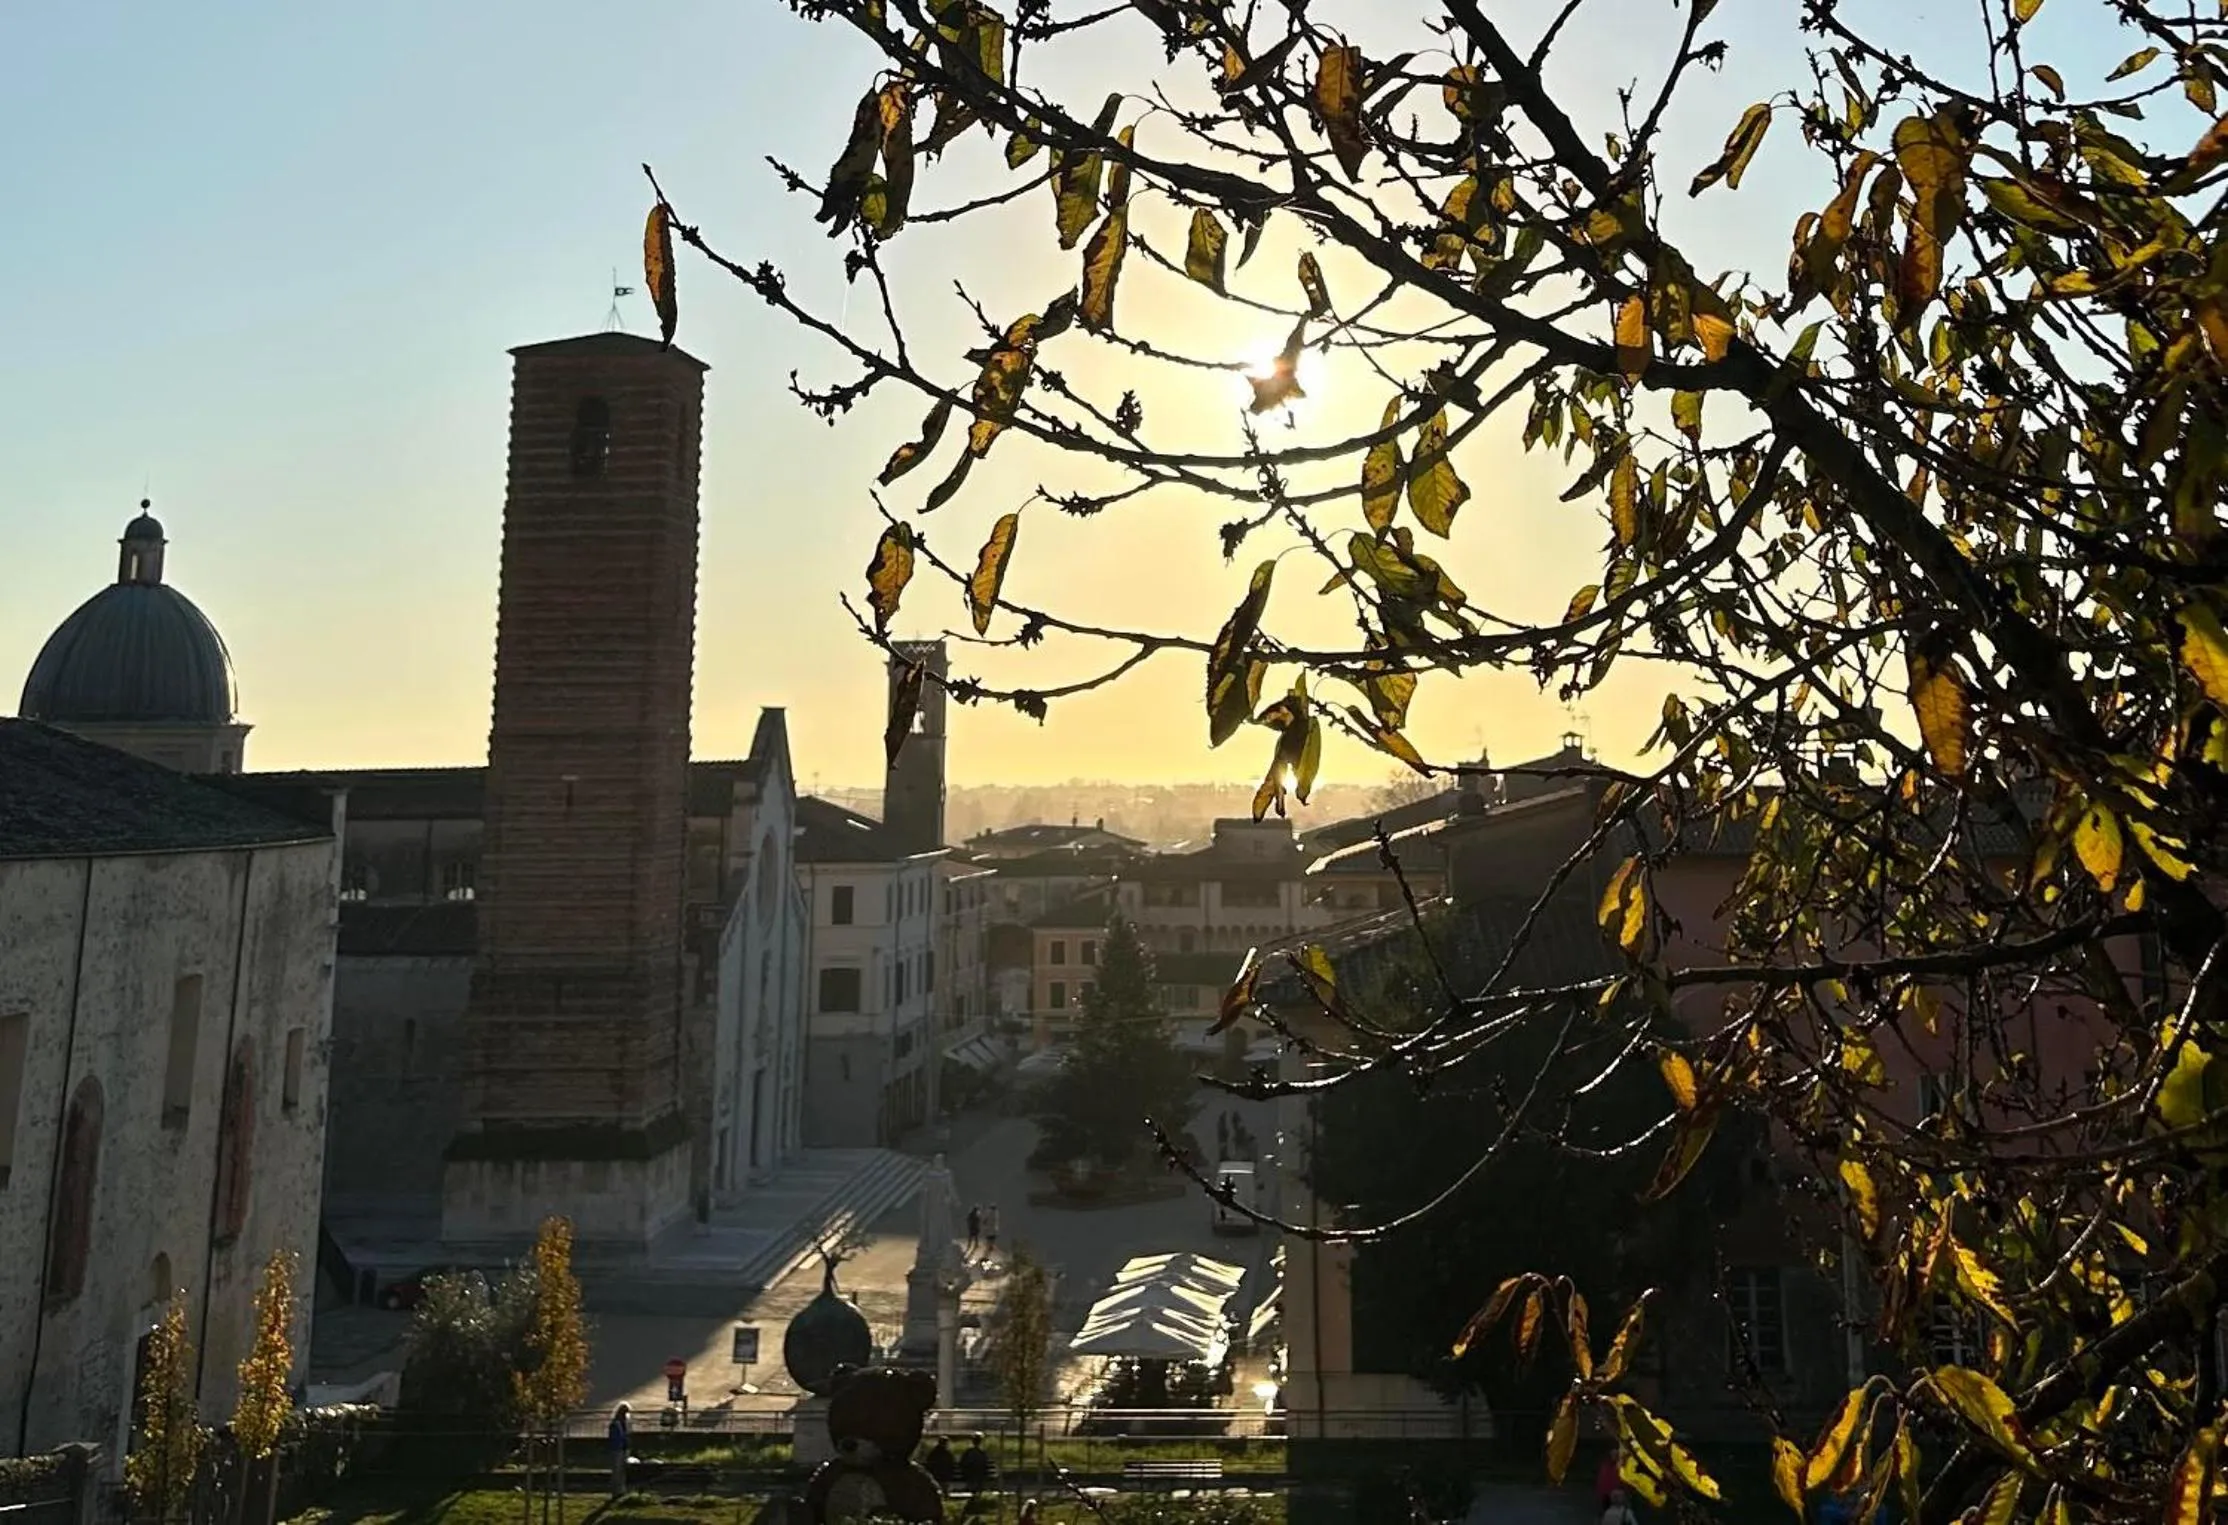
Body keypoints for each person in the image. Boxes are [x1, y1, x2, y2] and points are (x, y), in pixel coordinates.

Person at [607, 1403, 632, 1497]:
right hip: (617, 1449)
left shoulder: (623, 1423)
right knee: (617, 1470)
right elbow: (616, 1437)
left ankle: (621, 1489)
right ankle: (616, 1490)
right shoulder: (616, 1424)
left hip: (622, 1448)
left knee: (622, 1470)